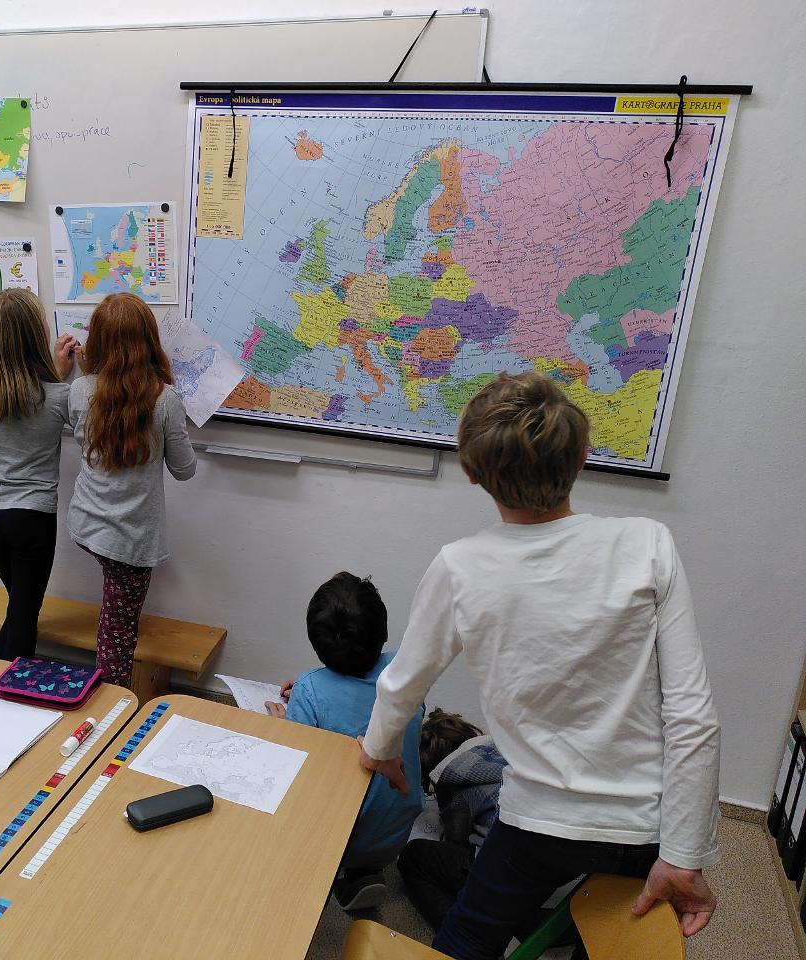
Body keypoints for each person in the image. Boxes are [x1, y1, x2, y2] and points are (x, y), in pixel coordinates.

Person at [357, 371, 720, 958]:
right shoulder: (649, 543)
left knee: (467, 937)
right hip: (644, 825)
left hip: (536, 824)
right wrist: (683, 853)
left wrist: (379, 750)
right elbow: (692, 714)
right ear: (583, 457)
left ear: (472, 474)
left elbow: (402, 685)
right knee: (608, 942)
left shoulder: (459, 566)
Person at [265, 572, 425, 912]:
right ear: (383, 632)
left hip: (341, 837)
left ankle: (317, 880)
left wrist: (283, 724)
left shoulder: (310, 686)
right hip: (395, 829)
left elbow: (293, 761)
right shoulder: (404, 671)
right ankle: (364, 875)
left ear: (317, 644)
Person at [67, 293, 196, 686]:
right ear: (149, 340)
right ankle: (114, 702)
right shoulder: (165, 399)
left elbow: (85, 442)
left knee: (114, 615)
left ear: (97, 342)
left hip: (86, 524)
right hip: (130, 540)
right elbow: (185, 470)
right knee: (119, 633)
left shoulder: (79, 390)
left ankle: (110, 692)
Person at [0, 288, 78, 660]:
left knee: (19, 610)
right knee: (23, 616)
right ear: (36, 335)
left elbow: (23, 394)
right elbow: (54, 405)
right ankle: (8, 687)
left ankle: (2, 680)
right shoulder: (59, 398)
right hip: (31, 520)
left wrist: (55, 374)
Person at [399, 710, 507, 930]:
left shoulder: (452, 779)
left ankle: (458, 930)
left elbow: (457, 841)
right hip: (555, 871)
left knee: (413, 856)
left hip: (505, 878)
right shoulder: (501, 751)